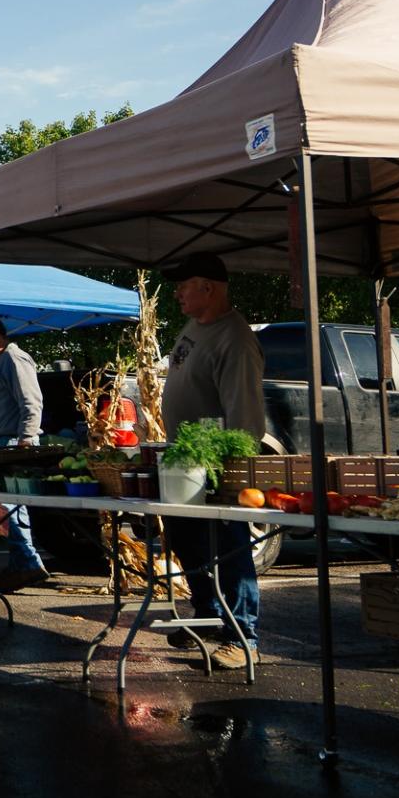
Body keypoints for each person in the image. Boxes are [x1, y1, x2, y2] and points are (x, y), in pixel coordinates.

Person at [158, 252, 267, 672]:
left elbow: (245, 420)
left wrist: (231, 469)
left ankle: (244, 637)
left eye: (185, 285)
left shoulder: (235, 341)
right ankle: (207, 616)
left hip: (216, 461)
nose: (177, 293)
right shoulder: (195, 325)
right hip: (184, 460)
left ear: (209, 288)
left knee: (229, 545)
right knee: (188, 539)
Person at [0, 314, 53, 593]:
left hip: (13, 442)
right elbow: (6, 405)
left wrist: (26, 438)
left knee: (12, 504)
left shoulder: (15, 359)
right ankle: (21, 564)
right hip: (0, 439)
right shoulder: (2, 362)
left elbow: (31, 401)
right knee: (12, 504)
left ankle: (28, 562)